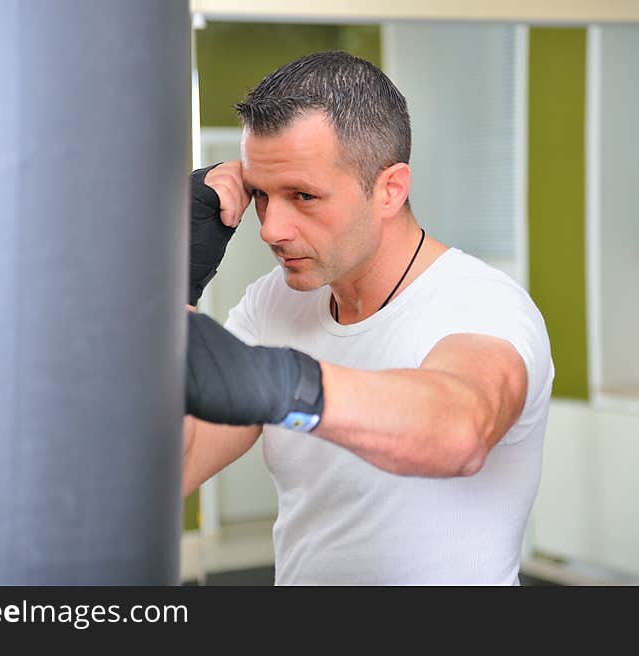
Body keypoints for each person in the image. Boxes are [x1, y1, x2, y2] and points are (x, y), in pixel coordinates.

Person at [184, 51, 554, 585]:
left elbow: (461, 430)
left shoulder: (481, 303)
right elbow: (176, 465)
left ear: (390, 189)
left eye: (303, 195)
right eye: (262, 195)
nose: (270, 229)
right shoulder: (274, 302)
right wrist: (176, 288)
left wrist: (289, 385)